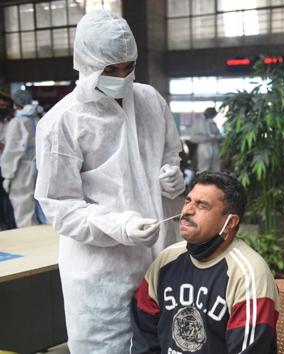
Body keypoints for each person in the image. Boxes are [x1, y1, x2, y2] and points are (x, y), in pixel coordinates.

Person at [34, 10, 184, 353]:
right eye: (110, 70)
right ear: (86, 65)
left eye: (128, 66)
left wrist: (171, 179)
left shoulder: (150, 101)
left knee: (162, 345)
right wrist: (120, 225)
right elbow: (61, 208)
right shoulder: (62, 122)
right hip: (101, 275)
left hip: (159, 263)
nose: (122, 77)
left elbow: (169, 157)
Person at [130, 172, 278, 353]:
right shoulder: (166, 261)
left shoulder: (250, 275)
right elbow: (143, 336)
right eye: (188, 201)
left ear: (230, 222)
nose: (187, 211)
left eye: (202, 205)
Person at [1, 89, 39, 227]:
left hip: (21, 169)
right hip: (37, 167)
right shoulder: (35, 119)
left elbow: (12, 151)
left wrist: (7, 175)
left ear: (15, 104)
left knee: (22, 205)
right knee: (36, 205)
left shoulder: (17, 122)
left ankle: (27, 238)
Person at [0, 93, 16, 230]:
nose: (3, 108)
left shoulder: (12, 122)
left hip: (7, 165)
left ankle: (8, 224)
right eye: (1, 106)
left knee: (6, 197)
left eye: (5, 106)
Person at [196, 107, 222, 172]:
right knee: (204, 169)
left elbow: (219, 134)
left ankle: (215, 181)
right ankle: (203, 181)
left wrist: (216, 137)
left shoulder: (213, 122)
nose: (213, 117)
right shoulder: (198, 122)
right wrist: (207, 138)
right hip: (204, 147)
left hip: (215, 147)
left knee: (216, 168)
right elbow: (193, 138)